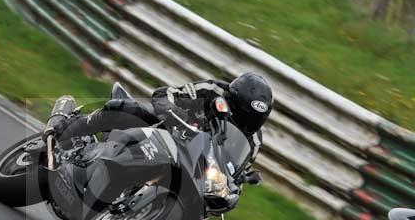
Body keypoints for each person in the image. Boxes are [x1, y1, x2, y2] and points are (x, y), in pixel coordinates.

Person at [44, 73, 273, 170]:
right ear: (231, 100)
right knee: (126, 109)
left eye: (251, 120)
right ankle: (66, 129)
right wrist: (173, 114)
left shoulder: (253, 142)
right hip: (166, 128)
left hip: (191, 162)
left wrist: (235, 184)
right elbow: (166, 94)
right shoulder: (212, 91)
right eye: (242, 115)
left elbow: (236, 171)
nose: (244, 122)